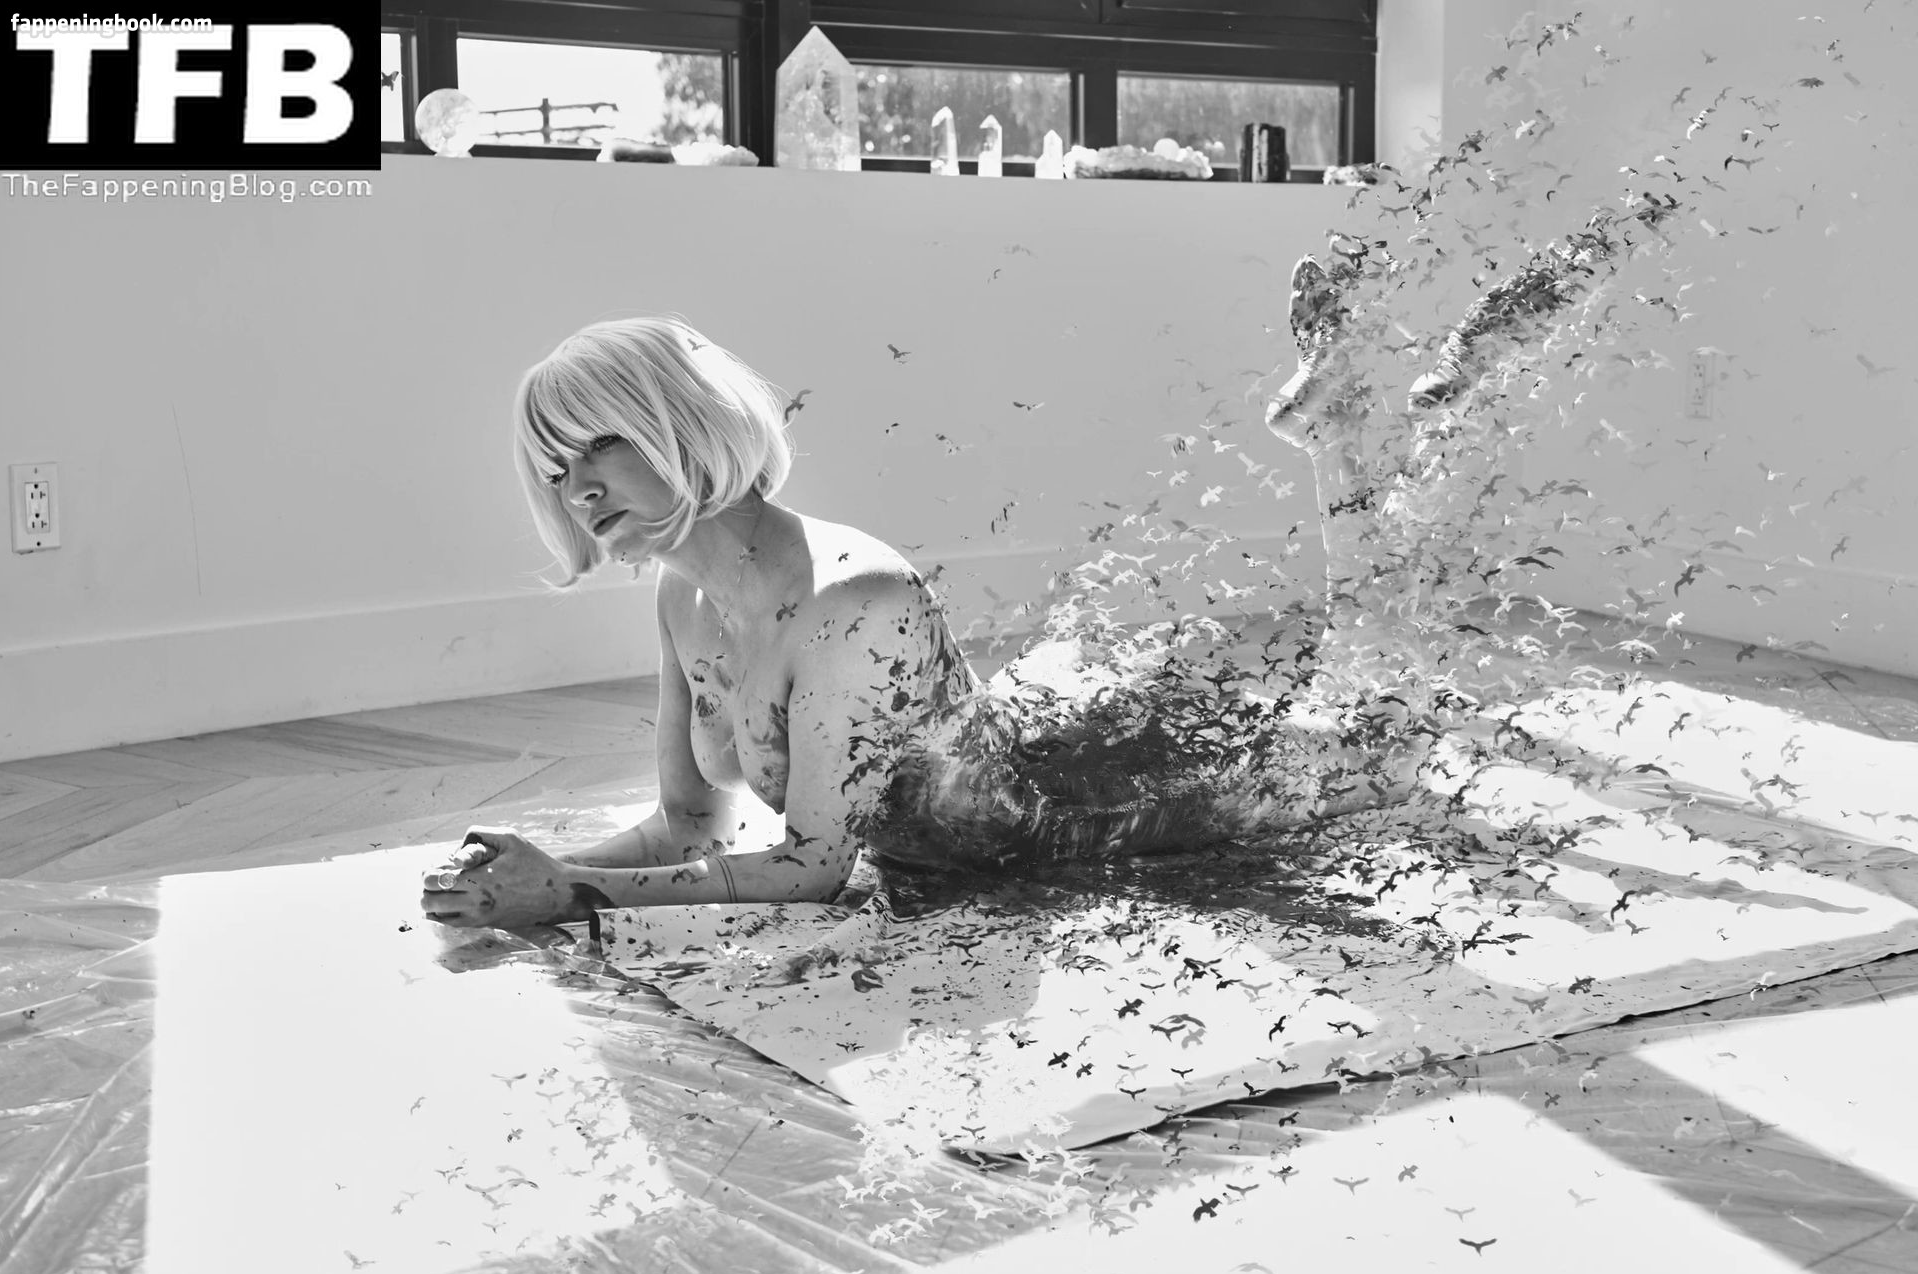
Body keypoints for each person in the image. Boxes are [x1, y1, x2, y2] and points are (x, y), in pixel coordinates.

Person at [421, 232, 1612, 932]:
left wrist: (568, 895)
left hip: (1126, 809)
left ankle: (1449, 423)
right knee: (1371, 691)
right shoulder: (682, 597)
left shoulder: (852, 601)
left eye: (600, 443)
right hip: (1025, 772)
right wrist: (530, 867)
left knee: (1390, 733)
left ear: (680, 423)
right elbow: (692, 825)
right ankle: (1355, 425)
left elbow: (814, 869)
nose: (576, 485)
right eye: (553, 465)